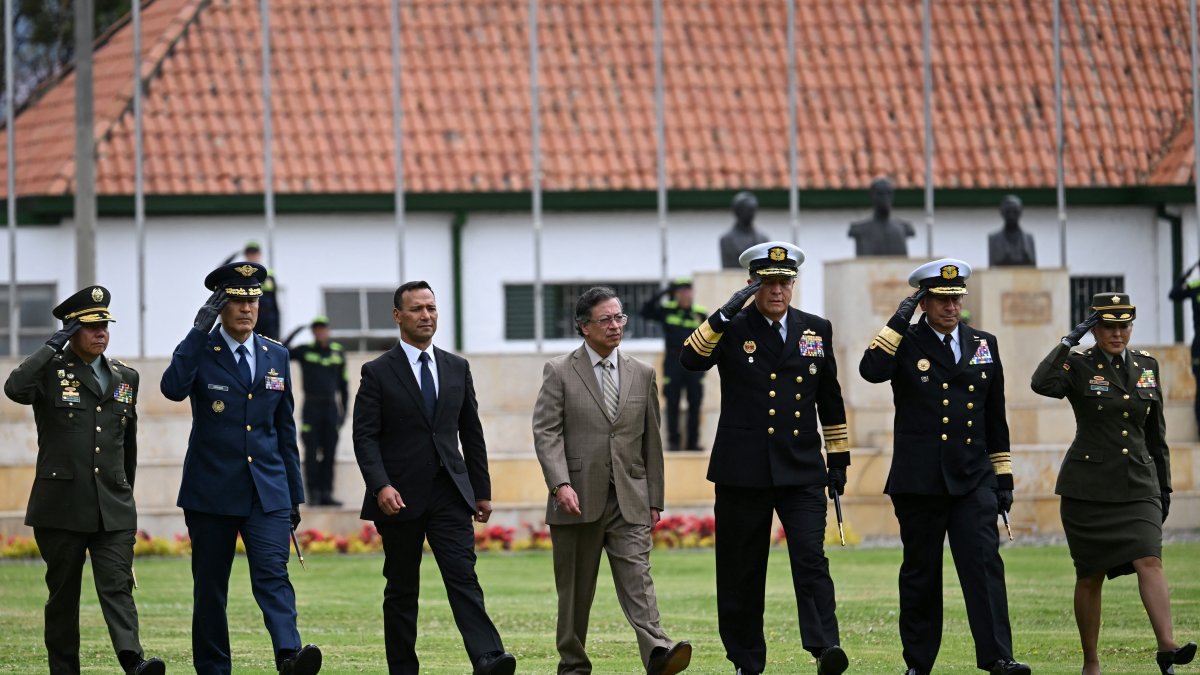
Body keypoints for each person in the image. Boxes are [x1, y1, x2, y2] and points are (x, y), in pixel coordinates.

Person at [680, 242, 850, 675]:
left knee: (811, 558)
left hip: (801, 468)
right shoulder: (731, 327)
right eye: (768, 282)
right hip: (743, 470)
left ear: (793, 284)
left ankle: (825, 647)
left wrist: (838, 460)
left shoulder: (816, 329)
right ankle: (746, 659)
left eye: (784, 282)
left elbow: (830, 400)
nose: (777, 290)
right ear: (752, 284)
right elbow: (690, 359)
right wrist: (724, 312)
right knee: (741, 569)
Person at [859, 258, 1030, 675]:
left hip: (973, 477)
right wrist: (898, 320)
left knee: (984, 566)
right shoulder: (904, 341)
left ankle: (998, 657)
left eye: (956, 298)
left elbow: (995, 416)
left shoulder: (983, 343)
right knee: (921, 575)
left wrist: (1003, 477)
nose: (951, 306)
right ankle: (918, 664)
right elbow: (871, 371)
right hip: (920, 480)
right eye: (941, 299)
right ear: (923, 302)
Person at [160, 262, 321, 675]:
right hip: (211, 491)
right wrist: (197, 331)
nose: (247, 308)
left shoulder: (276, 354)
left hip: (266, 490)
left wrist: (293, 495)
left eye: (253, 300)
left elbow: (284, 430)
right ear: (219, 306)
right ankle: (214, 668)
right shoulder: (201, 349)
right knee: (211, 588)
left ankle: (289, 655)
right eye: (236, 300)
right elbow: (172, 388)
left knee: (273, 575)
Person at [352, 280, 515, 675]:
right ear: (398, 316)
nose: (426, 316)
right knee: (402, 588)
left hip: (449, 493)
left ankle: (488, 658)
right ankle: (403, 669)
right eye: (417, 309)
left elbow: (471, 432)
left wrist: (481, 491)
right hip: (399, 497)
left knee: (463, 577)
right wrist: (381, 485)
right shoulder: (377, 372)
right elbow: (365, 437)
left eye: (431, 308)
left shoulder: (457, 367)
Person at [1031, 293, 1195, 675]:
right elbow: (1041, 383)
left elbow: (1156, 434)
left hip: (1139, 483)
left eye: (1124, 325)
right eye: (1109, 326)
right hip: (1088, 489)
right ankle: (1091, 661)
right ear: (1094, 328)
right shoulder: (1077, 364)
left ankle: (1167, 645)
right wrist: (1068, 341)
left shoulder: (1147, 365)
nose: (1118, 333)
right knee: (1090, 575)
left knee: (1149, 559)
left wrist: (1164, 486)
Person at [4, 287, 165, 675]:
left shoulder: (125, 376)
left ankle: (133, 661)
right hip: (61, 504)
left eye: (104, 325)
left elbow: (127, 444)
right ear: (72, 329)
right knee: (63, 597)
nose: (101, 333)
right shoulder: (49, 371)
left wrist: (124, 493)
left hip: (113, 504)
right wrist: (51, 345)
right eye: (91, 326)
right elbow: (14, 388)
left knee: (117, 586)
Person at [533, 286, 692, 675]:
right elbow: (546, 432)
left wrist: (654, 497)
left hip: (630, 497)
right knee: (575, 592)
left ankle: (658, 651)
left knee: (639, 580)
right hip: (576, 499)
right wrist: (560, 484)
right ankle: (573, 664)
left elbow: (651, 439)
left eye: (619, 317)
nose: (616, 325)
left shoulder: (643, 373)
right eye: (606, 319)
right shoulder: (559, 370)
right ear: (584, 326)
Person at [284, 316, 349, 506]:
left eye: (323, 328)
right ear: (313, 332)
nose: (320, 332)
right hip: (311, 407)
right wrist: (296, 331)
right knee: (311, 452)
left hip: (331, 408)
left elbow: (344, 385)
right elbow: (283, 350)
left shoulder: (338, 352)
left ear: (328, 330)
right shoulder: (305, 350)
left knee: (329, 453)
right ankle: (313, 494)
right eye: (316, 329)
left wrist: (344, 412)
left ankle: (326, 494)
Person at [640, 278, 708, 451]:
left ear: (692, 292)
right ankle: (674, 443)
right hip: (673, 363)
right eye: (680, 291)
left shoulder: (700, 313)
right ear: (675, 294)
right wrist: (663, 293)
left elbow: (709, 340)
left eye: (687, 291)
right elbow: (645, 311)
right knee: (672, 404)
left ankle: (693, 443)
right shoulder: (667, 310)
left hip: (695, 364)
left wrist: (704, 367)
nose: (684, 294)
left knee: (695, 404)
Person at [1168, 260, 1200, 435]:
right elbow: (1173, 295)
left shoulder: (1195, 285)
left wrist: (1186, 274)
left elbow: (1174, 293)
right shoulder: (1196, 286)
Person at [847, 177, 915, 256]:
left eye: (888, 193)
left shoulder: (905, 228)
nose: (885, 198)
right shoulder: (858, 229)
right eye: (880, 194)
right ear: (872, 196)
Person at [719, 191, 771, 268]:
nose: (751, 214)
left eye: (753, 210)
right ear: (738, 211)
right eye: (748, 210)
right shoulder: (726, 240)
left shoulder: (763, 239)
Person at [242, 241, 281, 340]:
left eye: (254, 253)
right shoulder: (241, 275)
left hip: (268, 319)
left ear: (259, 254)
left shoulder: (269, 274)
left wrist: (277, 327)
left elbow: (275, 302)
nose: (252, 256)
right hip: (251, 316)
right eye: (250, 254)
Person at [987, 195, 1037, 267]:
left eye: (1015, 211)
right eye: (1008, 212)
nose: (1011, 215)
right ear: (1002, 212)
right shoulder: (994, 239)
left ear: (1020, 212)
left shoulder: (1029, 239)